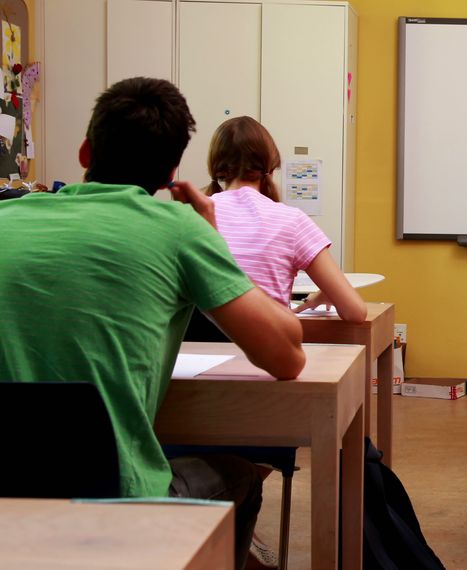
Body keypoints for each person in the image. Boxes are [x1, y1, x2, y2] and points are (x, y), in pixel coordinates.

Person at [0, 77, 306, 569]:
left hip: (7, 504)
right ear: (171, 174)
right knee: (240, 478)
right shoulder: (179, 228)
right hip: (112, 503)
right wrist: (208, 233)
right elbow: (287, 358)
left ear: (84, 152)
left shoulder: (5, 218)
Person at [204, 116, 367, 322]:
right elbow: (355, 312)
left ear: (216, 166)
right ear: (270, 169)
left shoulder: (191, 216)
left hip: (189, 352)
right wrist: (328, 293)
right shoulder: (292, 221)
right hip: (264, 349)